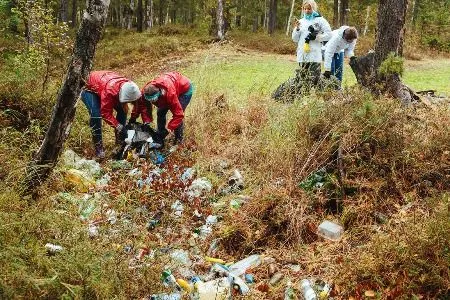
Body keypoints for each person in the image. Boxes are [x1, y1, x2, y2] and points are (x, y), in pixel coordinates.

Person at [81, 70, 141, 159]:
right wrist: (120, 127)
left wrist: (133, 119)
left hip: (105, 85)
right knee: (96, 115)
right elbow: (105, 113)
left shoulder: (131, 88)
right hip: (89, 89)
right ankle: (99, 148)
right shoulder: (109, 92)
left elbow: (136, 105)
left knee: (123, 110)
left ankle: (119, 142)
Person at [130, 71, 193, 147]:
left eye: (153, 100)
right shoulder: (145, 91)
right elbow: (142, 105)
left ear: (159, 93)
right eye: (149, 100)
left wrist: (169, 128)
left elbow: (178, 115)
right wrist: (145, 121)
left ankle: (179, 140)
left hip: (185, 90)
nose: (151, 102)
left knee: (178, 117)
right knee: (160, 113)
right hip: (169, 87)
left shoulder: (170, 94)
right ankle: (160, 134)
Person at [292, 0, 332, 87]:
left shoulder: (320, 20)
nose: (306, 11)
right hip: (302, 56)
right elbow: (295, 39)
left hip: (314, 56)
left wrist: (317, 37)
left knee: (315, 80)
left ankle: (315, 98)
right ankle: (304, 98)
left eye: (309, 9)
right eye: (305, 9)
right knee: (302, 81)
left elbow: (329, 34)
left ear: (313, 8)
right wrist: (297, 29)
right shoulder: (301, 21)